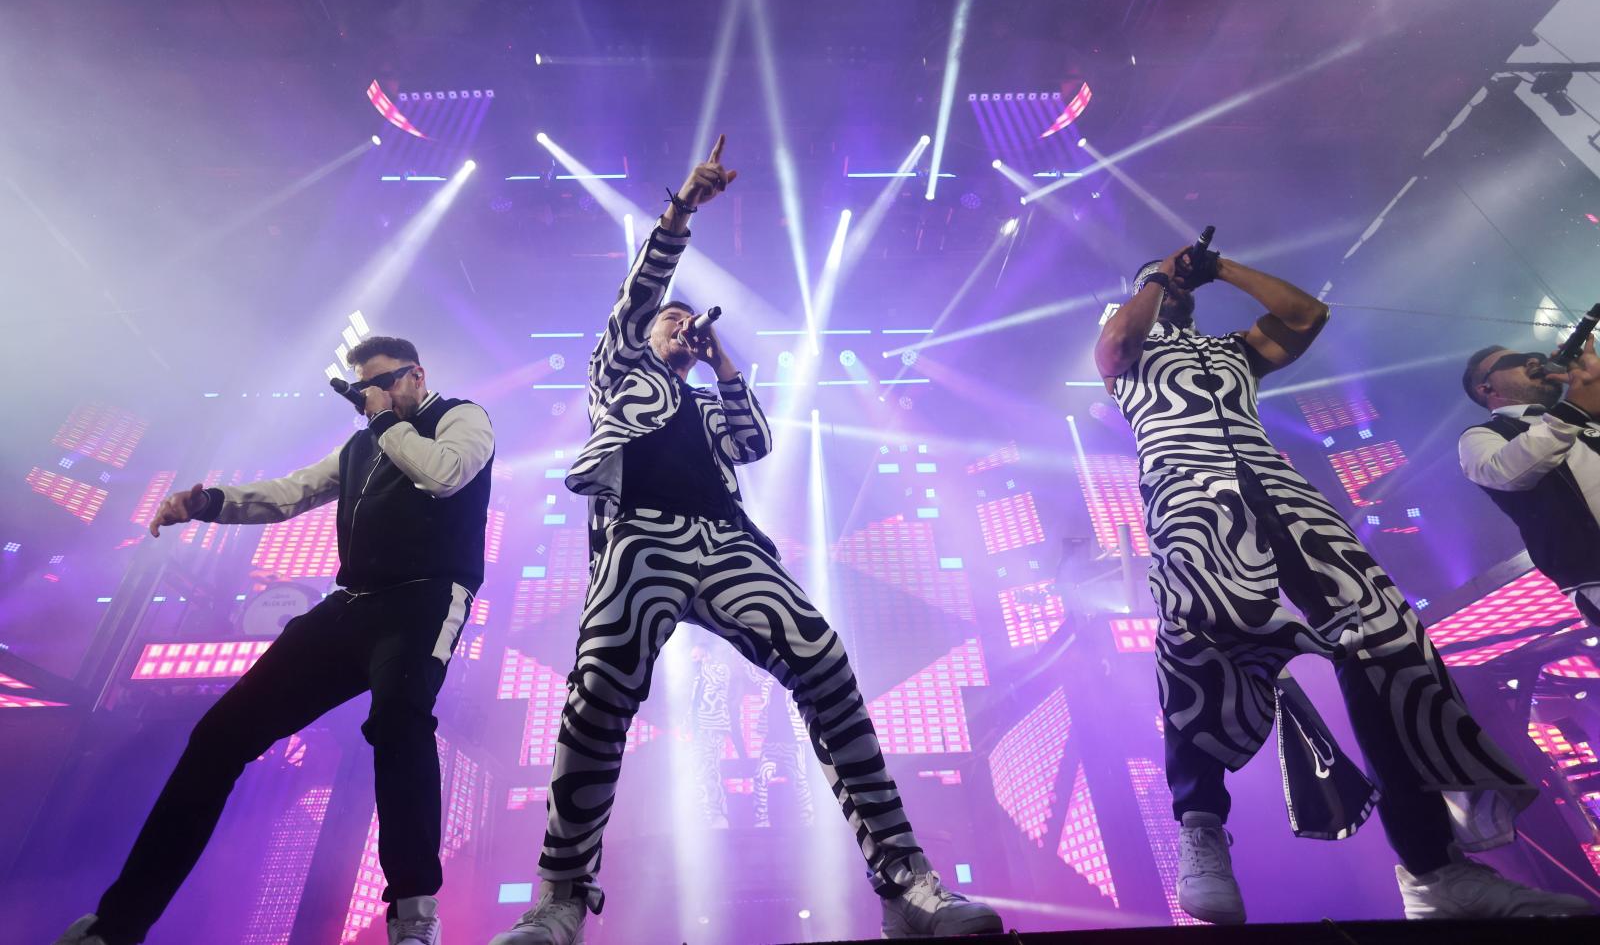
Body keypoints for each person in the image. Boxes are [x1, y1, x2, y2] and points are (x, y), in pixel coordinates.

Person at [489, 137, 1001, 944]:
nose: (678, 326)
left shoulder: (702, 401)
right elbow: (636, 299)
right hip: (641, 538)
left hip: (726, 540)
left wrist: (721, 358)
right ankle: (559, 895)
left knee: (823, 660)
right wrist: (682, 209)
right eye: (671, 322)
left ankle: (905, 880)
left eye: (686, 324)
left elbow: (755, 441)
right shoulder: (616, 374)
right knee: (600, 684)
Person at [1093, 245, 1590, 924]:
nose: (1178, 282)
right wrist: (1156, 272)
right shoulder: (1129, 351)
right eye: (1168, 277)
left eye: (1180, 277)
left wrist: (1221, 268)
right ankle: (1201, 824)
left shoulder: (1231, 350)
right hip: (1191, 491)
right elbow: (1119, 341)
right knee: (1200, 623)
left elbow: (1307, 313)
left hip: (1284, 490)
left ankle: (1433, 868)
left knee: (1387, 641)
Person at [55, 337, 494, 945]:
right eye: (361, 391)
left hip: (424, 599)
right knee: (218, 735)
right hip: (353, 603)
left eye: (383, 383)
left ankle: (414, 917)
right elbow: (290, 494)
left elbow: (444, 475)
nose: (370, 398)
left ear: (416, 374)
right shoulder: (364, 441)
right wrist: (206, 502)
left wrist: (385, 418)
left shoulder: (461, 417)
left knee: (399, 721)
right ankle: (119, 923)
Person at [1459, 340, 1600, 623]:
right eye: (1517, 361)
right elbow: (1506, 472)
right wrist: (1574, 409)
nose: (1533, 361)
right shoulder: (1481, 436)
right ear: (1486, 388)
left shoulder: (1588, 416)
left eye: (1534, 356)